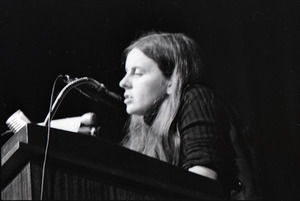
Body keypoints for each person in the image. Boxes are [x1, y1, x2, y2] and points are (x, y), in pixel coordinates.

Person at [118, 32, 259, 199]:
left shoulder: (196, 98)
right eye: (127, 72)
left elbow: (201, 182)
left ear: (172, 80)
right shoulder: (147, 121)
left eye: (138, 73)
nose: (123, 82)